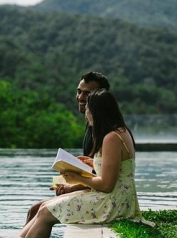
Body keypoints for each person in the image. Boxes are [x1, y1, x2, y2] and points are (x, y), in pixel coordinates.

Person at [19, 89, 152, 238]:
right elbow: (117, 168)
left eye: (88, 108)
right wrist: (94, 163)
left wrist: (77, 177)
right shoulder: (119, 131)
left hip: (113, 203)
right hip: (117, 197)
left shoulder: (111, 138)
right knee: (43, 207)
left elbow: (107, 185)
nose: (86, 112)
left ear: (96, 111)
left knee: (45, 212)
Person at [25, 72, 110, 224]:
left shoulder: (106, 132)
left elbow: (106, 178)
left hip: (100, 195)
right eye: (79, 92)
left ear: (100, 97)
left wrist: (71, 187)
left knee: (38, 209)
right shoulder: (91, 125)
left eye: (87, 93)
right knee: (33, 209)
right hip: (91, 187)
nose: (80, 97)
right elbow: (96, 169)